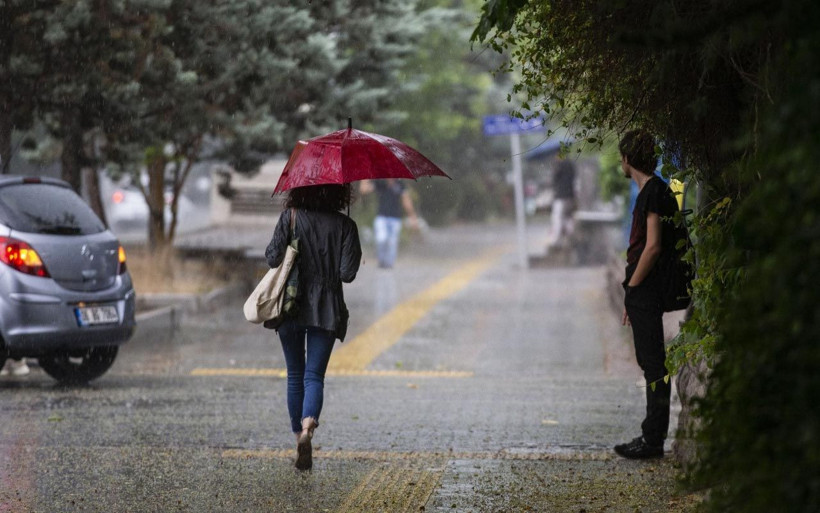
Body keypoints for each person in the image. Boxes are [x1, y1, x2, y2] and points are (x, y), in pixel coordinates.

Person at [264, 184, 362, 471]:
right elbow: (348, 273)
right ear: (338, 194)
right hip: (327, 307)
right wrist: (347, 237)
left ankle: (298, 436)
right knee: (314, 376)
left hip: (290, 304)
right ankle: (309, 426)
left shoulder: (290, 216)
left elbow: (272, 257)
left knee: (295, 374)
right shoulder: (345, 224)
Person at [614, 129, 682, 459]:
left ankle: (653, 438)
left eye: (621, 157)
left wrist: (633, 286)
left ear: (628, 159)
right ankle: (652, 435)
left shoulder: (654, 191)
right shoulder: (651, 191)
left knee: (654, 364)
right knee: (650, 363)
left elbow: (652, 247)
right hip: (643, 290)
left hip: (647, 288)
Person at [360, 179, 418, 268]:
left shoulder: (400, 184)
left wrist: (412, 216)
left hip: (395, 217)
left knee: (392, 242)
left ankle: (389, 263)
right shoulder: (380, 183)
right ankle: (381, 260)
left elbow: (406, 200)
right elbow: (364, 190)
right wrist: (364, 178)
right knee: (381, 239)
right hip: (381, 216)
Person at [548, 158, 577, 248]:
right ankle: (571, 238)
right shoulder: (571, 164)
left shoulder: (559, 165)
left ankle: (556, 240)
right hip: (570, 196)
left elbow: (554, 179)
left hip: (561, 196)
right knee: (568, 217)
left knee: (557, 217)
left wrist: (554, 167)